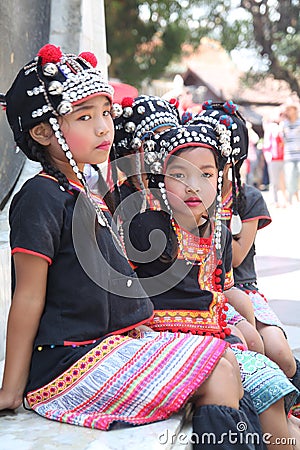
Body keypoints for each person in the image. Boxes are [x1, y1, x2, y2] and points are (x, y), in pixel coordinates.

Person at [0, 45, 262, 448]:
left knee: (226, 357)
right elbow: (28, 296)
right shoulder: (41, 196)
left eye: (106, 113)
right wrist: (10, 390)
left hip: (103, 348)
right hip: (69, 363)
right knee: (218, 370)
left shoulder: (85, 194)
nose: (104, 127)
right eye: (85, 117)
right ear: (42, 131)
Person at [120, 115, 299, 448]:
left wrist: (239, 326)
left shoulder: (217, 232)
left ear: (220, 178)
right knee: (262, 394)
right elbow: (124, 291)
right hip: (169, 339)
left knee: (272, 389)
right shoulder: (144, 226)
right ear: (159, 178)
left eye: (206, 174)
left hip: (215, 335)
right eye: (179, 175)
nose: (193, 186)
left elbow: (220, 291)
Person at [195, 101, 300, 410]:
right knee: (252, 345)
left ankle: (288, 407)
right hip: (208, 289)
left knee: (280, 353)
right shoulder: (187, 195)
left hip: (242, 286)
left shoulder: (247, 198)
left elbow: (237, 257)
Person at [263, 110, 287, 207]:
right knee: (274, 181)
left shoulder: (282, 127)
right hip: (273, 158)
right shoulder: (272, 128)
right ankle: (275, 200)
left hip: (283, 157)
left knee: (283, 181)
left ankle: (284, 200)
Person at [281, 103, 300, 205]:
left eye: (290, 109)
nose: (288, 111)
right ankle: (291, 199)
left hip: (299, 154)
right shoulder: (284, 124)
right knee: (290, 176)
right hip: (288, 155)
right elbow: (283, 140)